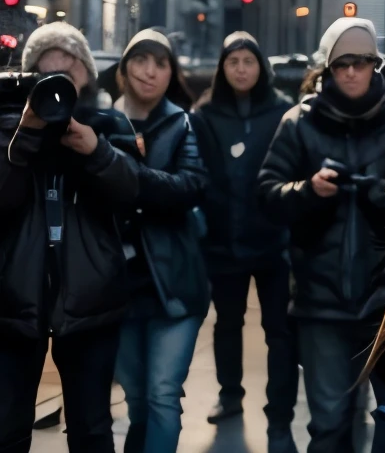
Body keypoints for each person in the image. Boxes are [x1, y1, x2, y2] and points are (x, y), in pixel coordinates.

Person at [258, 17, 385, 453]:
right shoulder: (298, 122)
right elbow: (267, 194)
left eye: (363, 62)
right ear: (327, 69)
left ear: (376, 65)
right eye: (343, 63)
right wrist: (309, 191)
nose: (353, 71)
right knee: (331, 425)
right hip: (323, 301)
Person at [0, 24, 141, 453]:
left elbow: (132, 195)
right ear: (31, 78)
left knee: (92, 430)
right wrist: (23, 139)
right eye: (48, 72)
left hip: (90, 298)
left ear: (86, 74)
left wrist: (96, 151)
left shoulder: (109, 124)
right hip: (12, 299)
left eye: (70, 69)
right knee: (6, 429)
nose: (60, 81)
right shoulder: (8, 126)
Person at [192, 32, 298, 451]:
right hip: (222, 242)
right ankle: (230, 394)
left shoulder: (283, 113)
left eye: (248, 61)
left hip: (274, 242)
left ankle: (279, 415)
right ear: (222, 68)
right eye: (232, 61)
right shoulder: (205, 116)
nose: (240, 69)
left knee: (280, 331)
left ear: (261, 68)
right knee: (228, 323)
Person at [112, 29, 210, 453]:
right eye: (140, 60)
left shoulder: (183, 123)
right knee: (136, 400)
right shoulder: (99, 120)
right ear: (124, 67)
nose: (149, 72)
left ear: (172, 73)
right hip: (116, 285)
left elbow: (189, 186)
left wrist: (126, 173)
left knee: (162, 395)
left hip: (175, 282)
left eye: (160, 63)